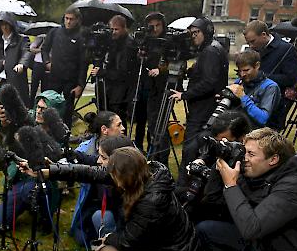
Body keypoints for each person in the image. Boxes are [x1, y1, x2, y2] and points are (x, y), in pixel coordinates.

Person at [93, 147, 201, 251]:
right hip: (160, 248)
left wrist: (108, 238)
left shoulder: (151, 201)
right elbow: (91, 173)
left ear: (128, 174)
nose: (117, 184)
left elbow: (127, 243)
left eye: (117, 177)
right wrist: (54, 171)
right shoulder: (146, 178)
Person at [0, 90, 66, 231]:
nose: (38, 111)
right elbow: (9, 129)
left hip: (43, 182)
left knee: (33, 191)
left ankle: (45, 214)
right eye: (37, 107)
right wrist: (4, 123)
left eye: (43, 109)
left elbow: (56, 160)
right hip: (19, 180)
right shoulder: (28, 117)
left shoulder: (60, 132)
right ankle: (25, 203)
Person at [170, 16, 229, 189]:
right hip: (207, 107)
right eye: (191, 33)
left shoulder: (210, 51)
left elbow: (209, 82)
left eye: (196, 32)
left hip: (203, 108)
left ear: (207, 32)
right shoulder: (214, 48)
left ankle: (183, 185)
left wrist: (185, 95)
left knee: (190, 148)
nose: (193, 36)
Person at [70, 111, 126, 244]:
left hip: (120, 206)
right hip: (94, 204)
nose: (123, 128)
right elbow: (75, 171)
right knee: (82, 238)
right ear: (104, 130)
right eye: (119, 125)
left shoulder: (128, 149)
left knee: (103, 219)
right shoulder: (84, 149)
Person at [244, 20, 297, 130]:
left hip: (274, 108)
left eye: (253, 41)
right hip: (252, 105)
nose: (250, 46)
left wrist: (262, 76)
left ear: (264, 35)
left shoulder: (286, 49)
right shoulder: (255, 50)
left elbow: (290, 79)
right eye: (248, 43)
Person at [90, 15, 138, 140]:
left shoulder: (128, 45)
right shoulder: (110, 42)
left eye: (116, 29)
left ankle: (120, 144)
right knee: (105, 118)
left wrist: (104, 72)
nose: (113, 32)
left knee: (118, 120)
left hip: (121, 92)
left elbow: (124, 73)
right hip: (108, 89)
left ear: (124, 28)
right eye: (111, 29)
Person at [41, 6, 87, 127]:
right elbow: (44, 49)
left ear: (77, 20)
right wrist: (47, 63)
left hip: (71, 80)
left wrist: (80, 85)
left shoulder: (80, 36)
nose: (68, 21)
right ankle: (48, 133)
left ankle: (65, 137)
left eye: (71, 19)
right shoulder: (55, 32)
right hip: (54, 77)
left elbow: (84, 62)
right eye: (66, 18)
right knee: (50, 107)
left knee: (67, 111)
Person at [144, 12, 177, 165]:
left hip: (165, 88)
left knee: (161, 126)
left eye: (158, 25)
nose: (155, 29)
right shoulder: (147, 40)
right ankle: (153, 158)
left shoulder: (170, 41)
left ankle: (162, 160)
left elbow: (175, 61)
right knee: (152, 125)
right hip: (151, 88)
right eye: (152, 26)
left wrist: (161, 69)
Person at [228, 50, 282, 129]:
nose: (242, 74)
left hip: (260, 134)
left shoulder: (270, 87)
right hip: (239, 129)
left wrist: (243, 97)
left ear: (257, 66)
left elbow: (262, 119)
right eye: (239, 71)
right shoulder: (239, 82)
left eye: (246, 70)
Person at [0, 11, 32, 105]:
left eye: (7, 24)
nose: (5, 27)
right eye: (2, 24)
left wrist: (21, 64)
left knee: (16, 110)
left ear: (12, 24)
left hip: (15, 80)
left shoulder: (22, 39)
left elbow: (27, 52)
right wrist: (2, 63)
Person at [28, 33, 48, 106]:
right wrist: (41, 49)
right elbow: (31, 48)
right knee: (34, 86)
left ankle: (42, 104)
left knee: (45, 87)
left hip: (46, 64)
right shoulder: (40, 38)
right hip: (37, 64)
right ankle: (30, 105)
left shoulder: (52, 39)